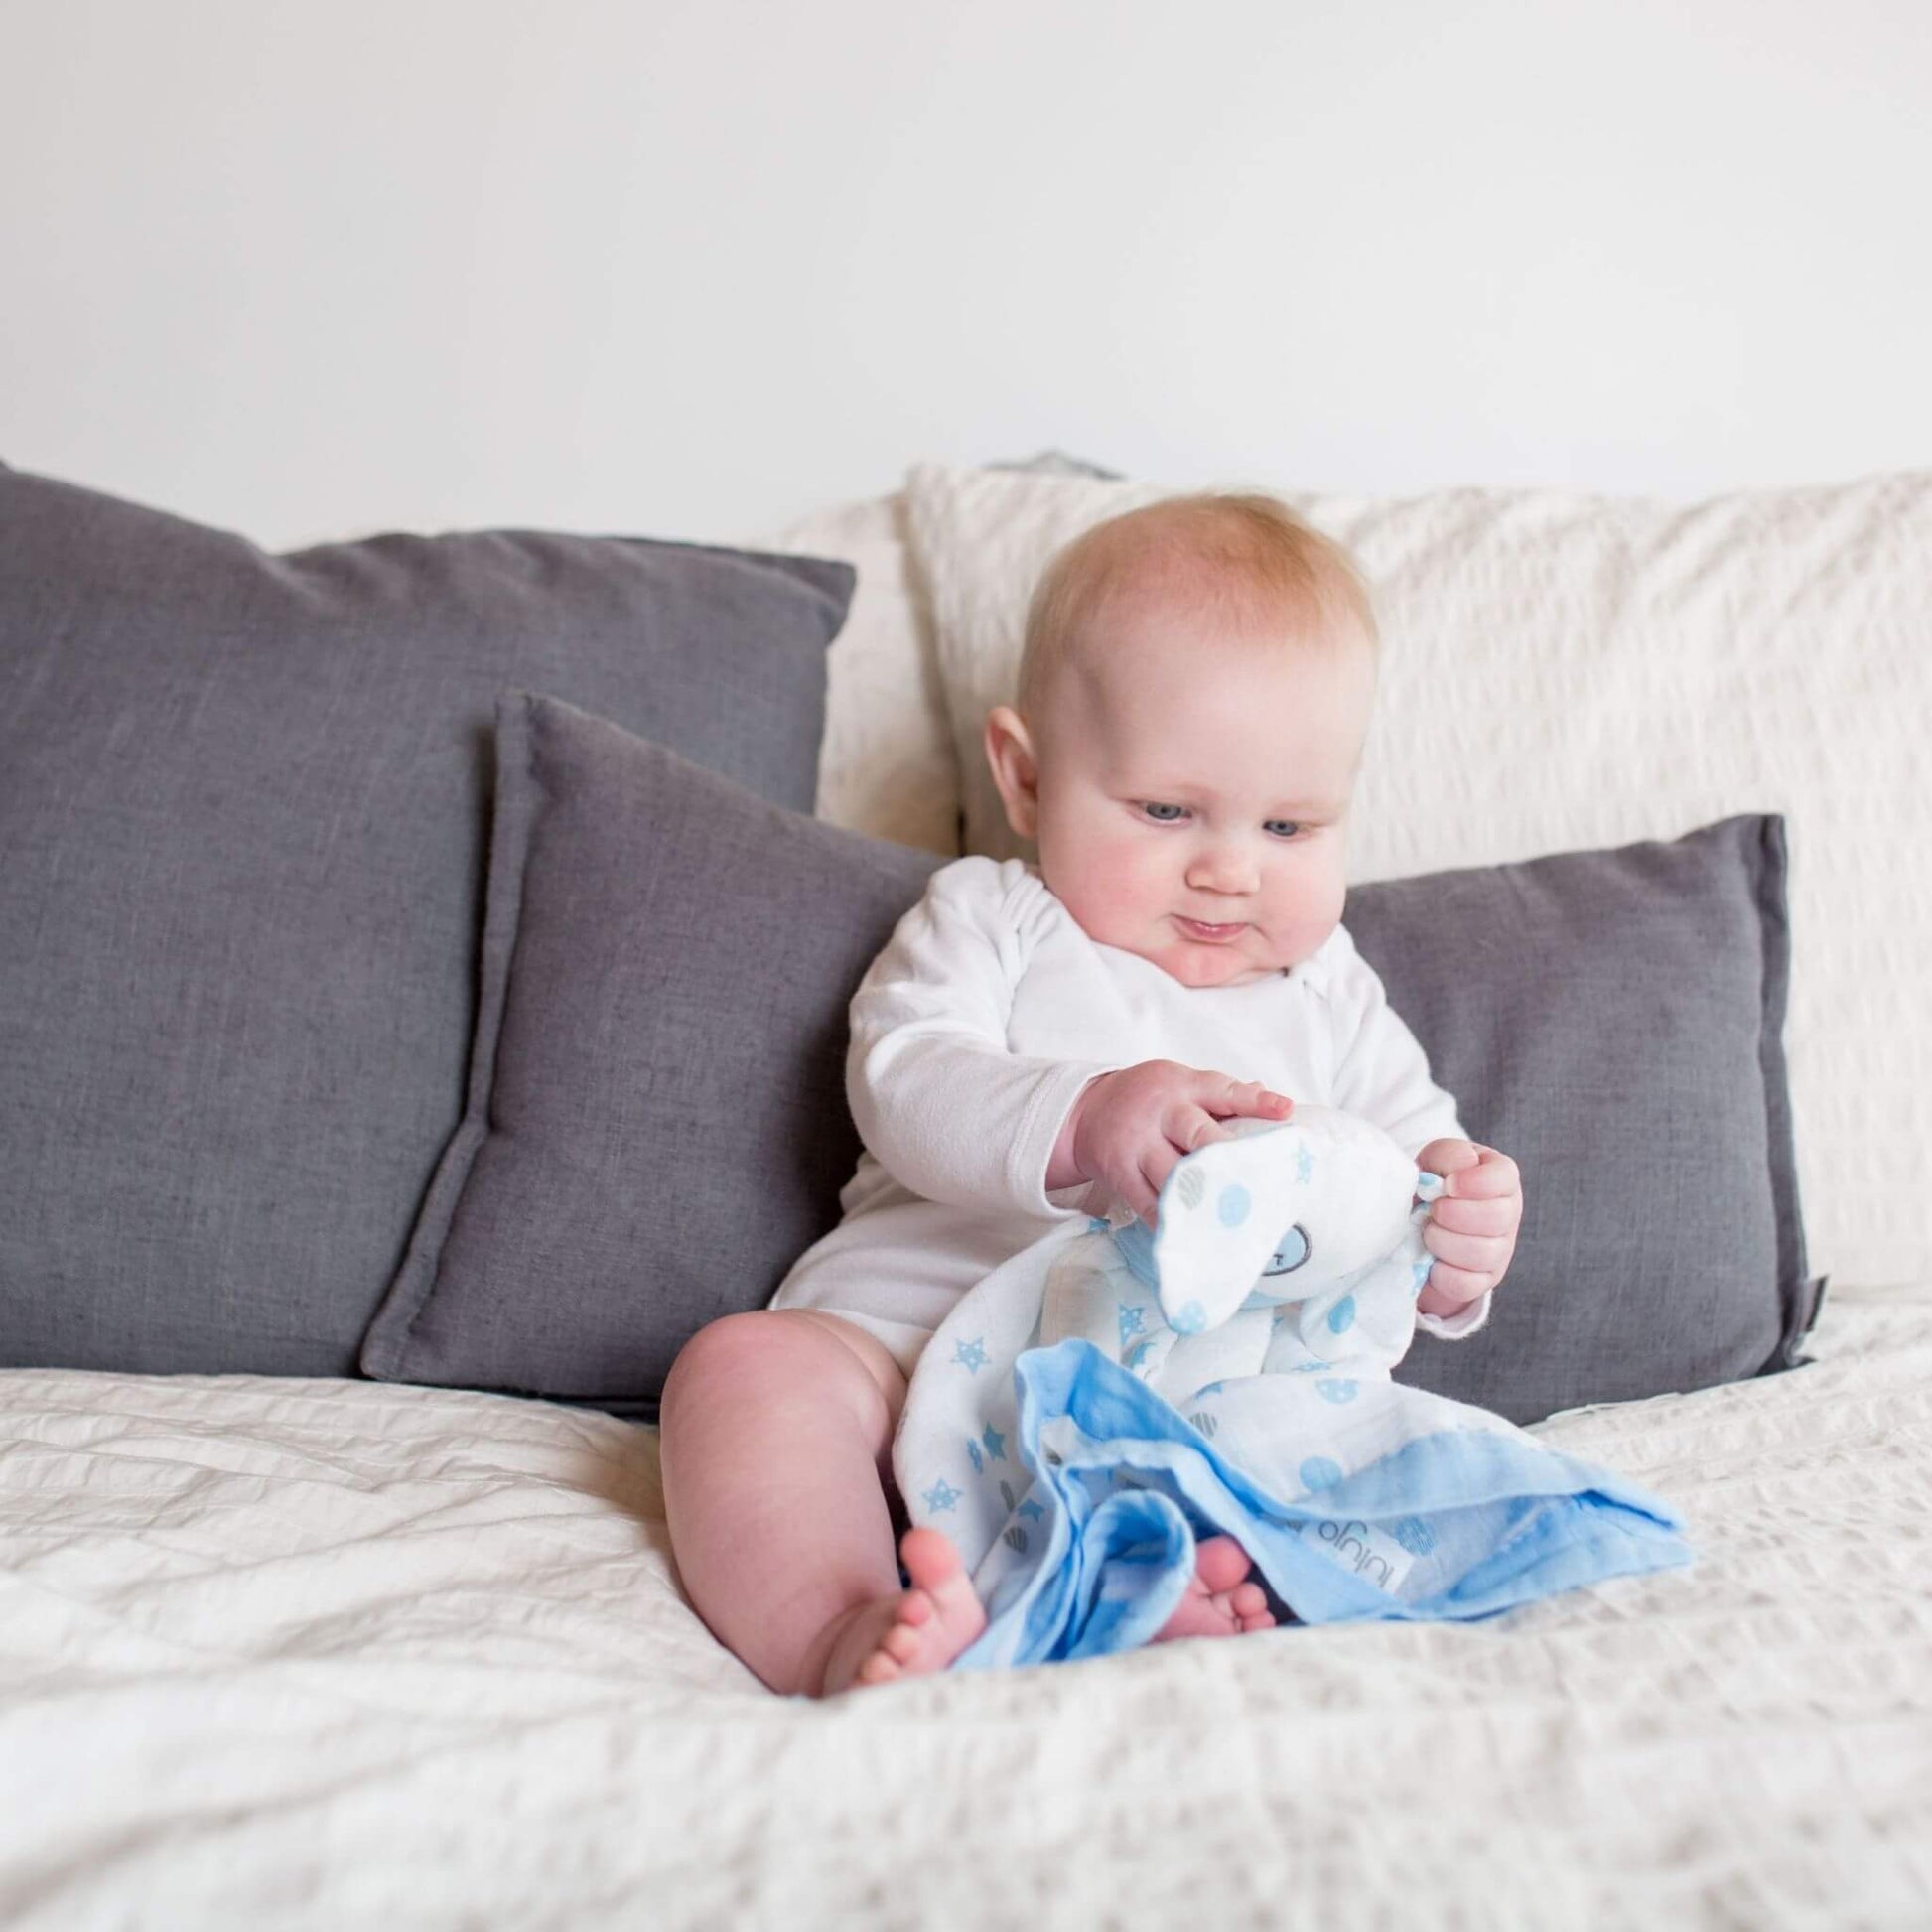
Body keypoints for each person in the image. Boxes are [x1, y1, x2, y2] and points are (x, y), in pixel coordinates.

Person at [659, 492, 1524, 1696]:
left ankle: (1144, 1583)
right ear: (1022, 775)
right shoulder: (993, 917)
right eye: (1166, 810)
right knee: (741, 1372)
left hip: (1170, 1391)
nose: (1229, 867)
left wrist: (1460, 1225)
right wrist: (1082, 1118)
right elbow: (902, 1079)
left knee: (1299, 1447)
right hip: (901, 1341)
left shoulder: (1326, 989)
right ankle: (838, 1626)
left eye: (1289, 822)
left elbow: (1409, 1175)